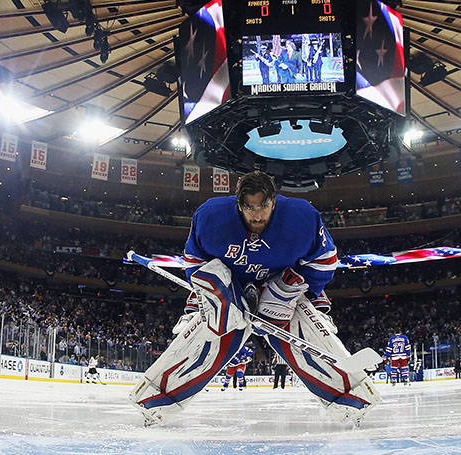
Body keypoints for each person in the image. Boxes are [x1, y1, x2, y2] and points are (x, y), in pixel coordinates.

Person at [130, 171, 379, 425]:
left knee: (305, 334)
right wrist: (214, 294)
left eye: (263, 207)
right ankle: (156, 401)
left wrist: (287, 289)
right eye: (249, 208)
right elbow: (195, 262)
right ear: (238, 203)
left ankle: (351, 401)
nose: (256, 216)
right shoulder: (210, 216)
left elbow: (325, 262)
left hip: (284, 283)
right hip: (231, 285)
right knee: (211, 332)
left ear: (275, 201)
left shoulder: (302, 217)